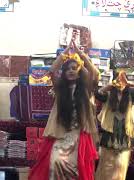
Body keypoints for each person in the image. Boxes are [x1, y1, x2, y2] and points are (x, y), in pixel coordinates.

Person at [29, 39, 100, 180]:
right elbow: (52, 71)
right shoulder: (60, 90)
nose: (70, 71)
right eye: (67, 69)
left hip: (79, 136)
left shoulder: (86, 90)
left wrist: (80, 53)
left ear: (79, 73)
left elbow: (95, 72)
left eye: (74, 69)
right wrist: (65, 52)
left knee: (77, 169)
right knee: (55, 162)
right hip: (61, 134)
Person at [95, 71, 134, 180]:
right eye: (118, 78)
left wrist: (129, 83)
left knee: (120, 165)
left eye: (122, 78)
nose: (120, 81)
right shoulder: (108, 95)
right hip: (109, 133)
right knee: (106, 164)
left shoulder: (130, 94)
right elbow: (98, 93)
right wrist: (111, 85)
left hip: (124, 133)